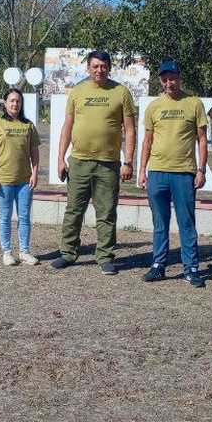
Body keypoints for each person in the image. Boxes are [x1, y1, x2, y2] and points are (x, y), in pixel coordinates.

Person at [50, 50, 137, 275]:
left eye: (103, 66)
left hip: (108, 164)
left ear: (110, 67)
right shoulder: (78, 92)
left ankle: (105, 256)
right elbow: (67, 127)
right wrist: (60, 158)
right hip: (78, 161)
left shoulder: (121, 93)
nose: (100, 70)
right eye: (95, 66)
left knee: (106, 212)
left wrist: (128, 161)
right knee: (73, 211)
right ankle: (68, 253)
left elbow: (129, 129)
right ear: (88, 68)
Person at [137, 60, 209, 287]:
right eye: (165, 79)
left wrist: (201, 169)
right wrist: (142, 170)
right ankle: (158, 266)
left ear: (180, 78)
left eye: (173, 78)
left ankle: (191, 269)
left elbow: (202, 140)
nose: (169, 83)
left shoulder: (194, 104)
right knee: (160, 223)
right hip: (157, 172)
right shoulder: (154, 107)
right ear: (161, 80)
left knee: (186, 223)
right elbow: (147, 141)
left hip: (183, 173)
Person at [0, 88, 41, 266]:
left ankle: (24, 251)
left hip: (25, 181)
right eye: (11, 100)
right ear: (5, 103)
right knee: (5, 217)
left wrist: (35, 172)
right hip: (3, 181)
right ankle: (7, 252)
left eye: (18, 101)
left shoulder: (28, 126)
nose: (15, 104)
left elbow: (34, 152)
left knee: (24, 217)